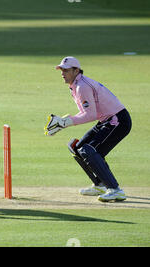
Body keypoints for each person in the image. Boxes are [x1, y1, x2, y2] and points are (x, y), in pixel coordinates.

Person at [45, 56, 132, 202]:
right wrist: (64, 121)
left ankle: (115, 190)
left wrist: (64, 122)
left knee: (88, 150)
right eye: (61, 69)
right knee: (78, 148)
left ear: (76, 70)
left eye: (66, 70)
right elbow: (87, 113)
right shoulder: (76, 85)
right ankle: (100, 184)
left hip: (118, 121)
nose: (62, 73)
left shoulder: (82, 86)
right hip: (107, 120)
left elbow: (90, 115)